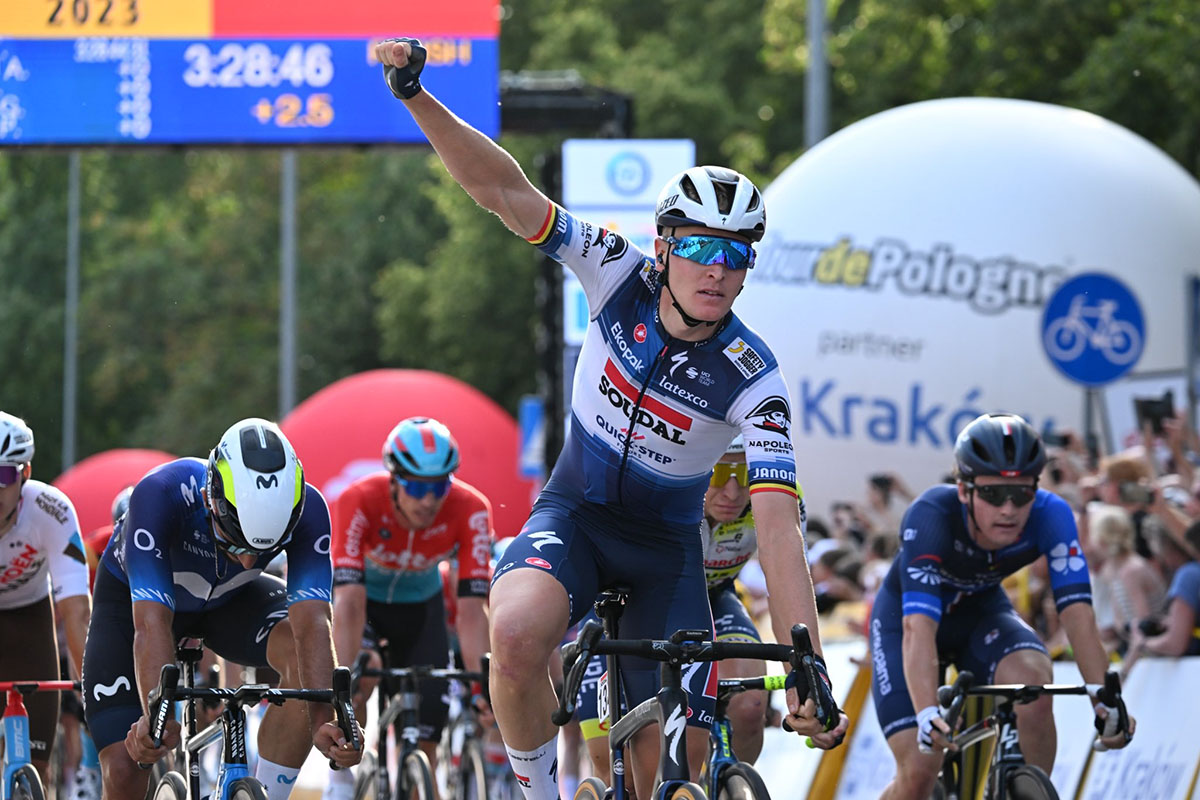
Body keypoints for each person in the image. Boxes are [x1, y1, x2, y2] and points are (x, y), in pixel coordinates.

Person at [372, 37, 847, 800]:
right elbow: (504, 191)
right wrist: (416, 98)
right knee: (519, 632)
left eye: (736, 255)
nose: (716, 269)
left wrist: (810, 659)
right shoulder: (617, 270)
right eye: (698, 247)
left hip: (667, 550)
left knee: (697, 745)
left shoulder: (754, 379)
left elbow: (778, 526)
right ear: (664, 246)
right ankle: (533, 789)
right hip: (578, 517)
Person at [81, 418, 362, 800]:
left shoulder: (310, 508)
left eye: (262, 550)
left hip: (232, 598)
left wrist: (323, 721)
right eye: (236, 543)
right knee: (126, 767)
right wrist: (157, 717)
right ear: (212, 497)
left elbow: (313, 622)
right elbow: (150, 624)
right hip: (135, 603)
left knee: (300, 655)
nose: (248, 561)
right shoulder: (161, 493)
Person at [870, 413, 1135, 799]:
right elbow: (919, 628)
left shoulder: (1053, 515)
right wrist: (927, 713)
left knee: (1035, 688)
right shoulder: (931, 515)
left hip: (981, 613)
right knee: (920, 771)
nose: (1009, 509)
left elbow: (1078, 616)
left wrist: (1106, 700)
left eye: (1022, 494)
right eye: (993, 494)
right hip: (904, 622)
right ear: (964, 490)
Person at [577, 436, 800, 776]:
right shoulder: (661, 491)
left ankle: (725, 785)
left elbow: (787, 582)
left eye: (746, 476)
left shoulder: (777, 497)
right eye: (720, 471)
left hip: (714, 597)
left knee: (750, 705)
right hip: (629, 604)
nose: (732, 491)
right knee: (613, 765)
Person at [325, 416, 494, 800]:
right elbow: (349, 602)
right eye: (417, 486)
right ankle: (341, 779)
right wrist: (342, 678)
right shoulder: (360, 499)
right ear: (394, 479)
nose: (429, 499)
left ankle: (413, 781)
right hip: (365, 606)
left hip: (422, 610)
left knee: (429, 723)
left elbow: (471, 610)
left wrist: (482, 684)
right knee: (360, 678)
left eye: (439, 486)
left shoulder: (471, 509)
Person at [0, 411, 91, 788]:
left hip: (30, 620)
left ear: (25, 474)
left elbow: (77, 609)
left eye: (2, 476)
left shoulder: (51, 510)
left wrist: (91, 685)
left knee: (37, 764)